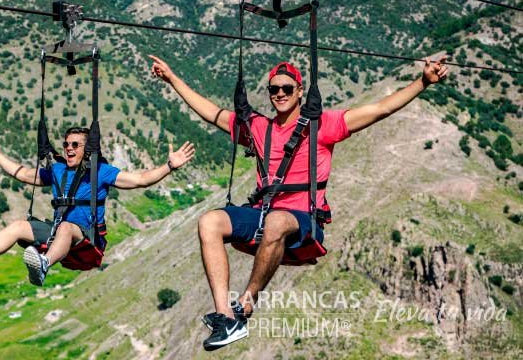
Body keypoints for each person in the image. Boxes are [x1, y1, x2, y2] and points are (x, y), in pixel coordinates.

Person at [149, 54, 448, 350]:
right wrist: (173, 79)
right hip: (264, 215)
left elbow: (380, 109)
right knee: (209, 222)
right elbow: (213, 113)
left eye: (287, 89)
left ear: (300, 91)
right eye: (274, 89)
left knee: (277, 220)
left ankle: (246, 305)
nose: (280, 94)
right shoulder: (259, 129)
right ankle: (226, 316)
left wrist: (422, 82)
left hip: (302, 218)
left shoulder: (323, 126)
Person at [0, 126, 195, 286]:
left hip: (86, 238)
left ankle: (43, 264)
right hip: (59, 234)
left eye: (75, 145)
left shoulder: (101, 172)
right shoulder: (57, 170)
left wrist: (169, 167)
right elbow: (23, 174)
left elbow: (140, 180)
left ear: (87, 149)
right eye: (66, 144)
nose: (69, 148)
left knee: (66, 226)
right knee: (20, 226)